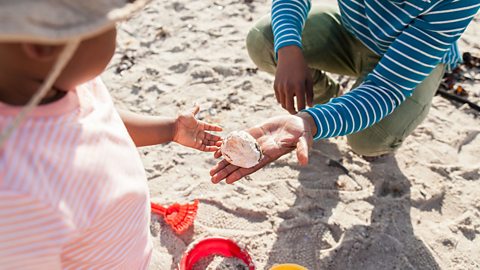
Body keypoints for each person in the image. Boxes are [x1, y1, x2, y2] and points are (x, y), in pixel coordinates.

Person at [0, 0, 222, 268]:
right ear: (45, 43)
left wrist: (171, 129)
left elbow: (100, 120)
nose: (118, 28)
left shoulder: (65, 81)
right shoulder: (14, 192)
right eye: (112, 22)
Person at [210, 0, 480, 184]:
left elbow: (387, 88)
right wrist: (288, 47)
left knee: (368, 141)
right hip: (351, 28)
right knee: (264, 40)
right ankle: (328, 98)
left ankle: (355, 115)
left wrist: (311, 121)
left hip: (410, 58)